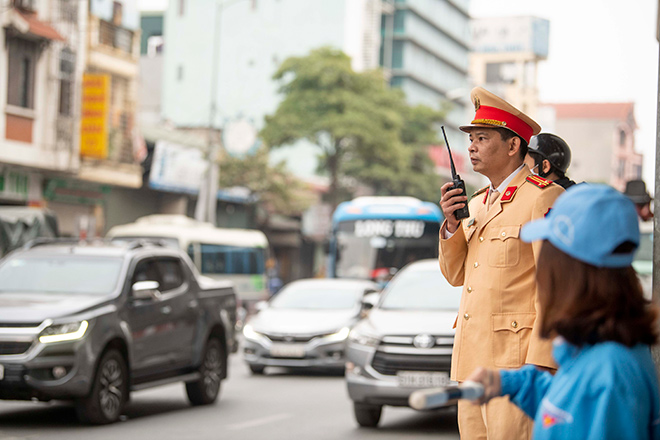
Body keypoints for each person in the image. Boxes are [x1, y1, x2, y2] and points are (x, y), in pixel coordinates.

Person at [465, 184, 660, 440]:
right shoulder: (598, 351)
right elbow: (572, 409)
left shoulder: (610, 375)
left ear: (567, 272)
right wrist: (510, 382)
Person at [438, 87, 564, 439]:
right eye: (471, 139)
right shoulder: (476, 204)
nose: (472, 147)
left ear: (512, 146)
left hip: (516, 366)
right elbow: (456, 275)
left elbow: (554, 288)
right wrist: (451, 225)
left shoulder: (544, 197)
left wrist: (540, 366)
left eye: (482, 137)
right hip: (471, 365)